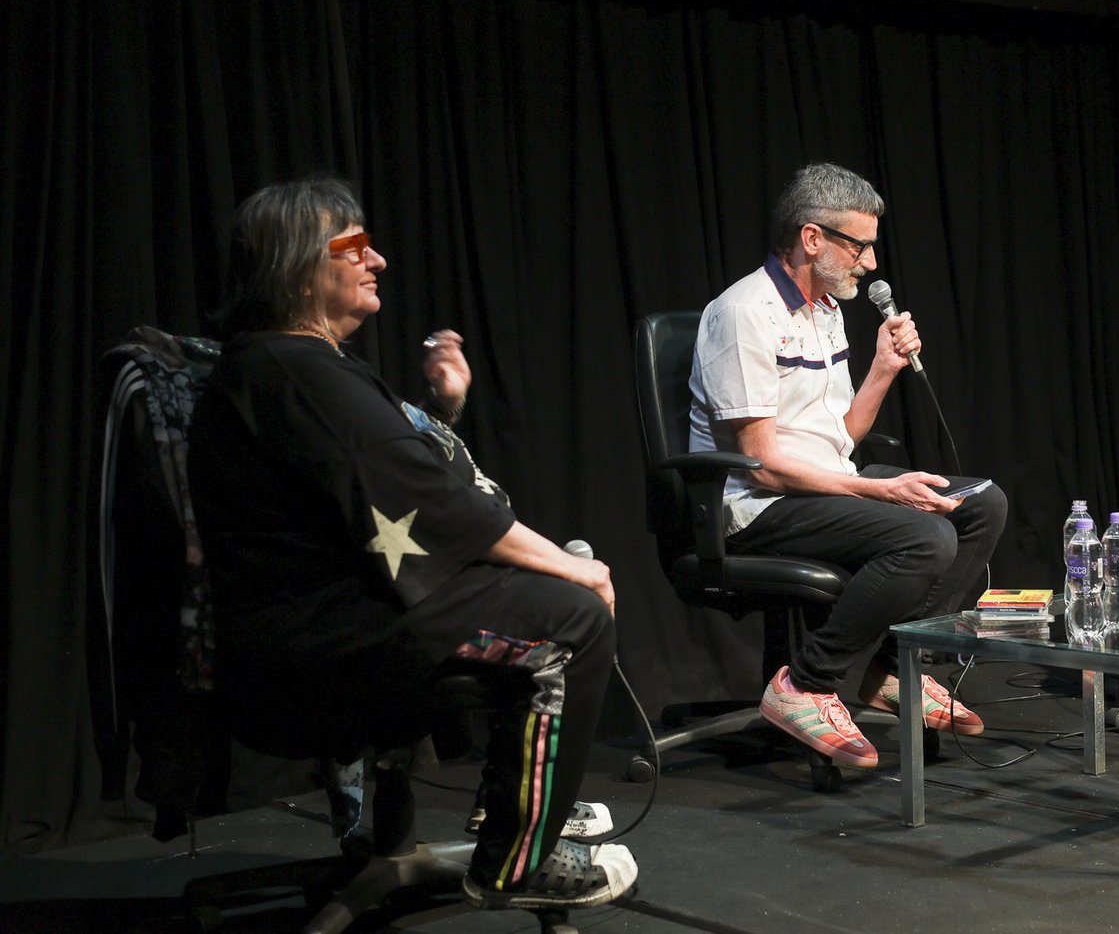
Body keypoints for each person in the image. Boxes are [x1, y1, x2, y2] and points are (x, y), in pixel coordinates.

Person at [188, 177, 637, 912]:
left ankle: (512, 809)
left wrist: (439, 411)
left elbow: (383, 479)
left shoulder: (287, 365)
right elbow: (427, 503)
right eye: (355, 247)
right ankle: (515, 863)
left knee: (549, 599)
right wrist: (576, 569)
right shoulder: (292, 368)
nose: (379, 261)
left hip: (329, 611)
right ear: (303, 262)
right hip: (316, 638)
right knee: (571, 620)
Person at [688, 162, 1008, 770]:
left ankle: (889, 670)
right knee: (924, 535)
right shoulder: (744, 314)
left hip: (820, 485)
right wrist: (875, 492)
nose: (871, 262)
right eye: (860, 245)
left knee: (980, 502)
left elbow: (842, 437)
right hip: (757, 506)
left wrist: (884, 367)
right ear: (813, 239)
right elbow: (760, 467)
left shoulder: (826, 309)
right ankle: (807, 684)